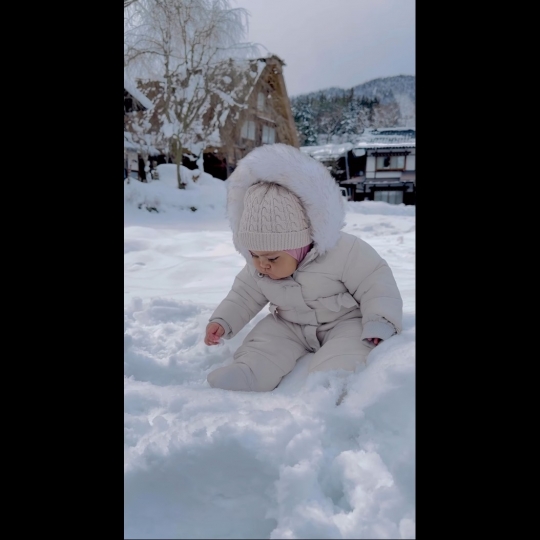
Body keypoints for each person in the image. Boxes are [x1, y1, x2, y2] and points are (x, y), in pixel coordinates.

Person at [204, 143, 403, 392]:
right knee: (265, 342)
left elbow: (376, 283)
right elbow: (243, 295)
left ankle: (331, 383)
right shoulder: (258, 265)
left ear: (299, 245)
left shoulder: (344, 251)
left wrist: (380, 321)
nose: (262, 264)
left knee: (348, 348)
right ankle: (248, 372)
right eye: (254, 255)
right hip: (290, 324)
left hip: (342, 322)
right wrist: (223, 321)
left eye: (273, 258)